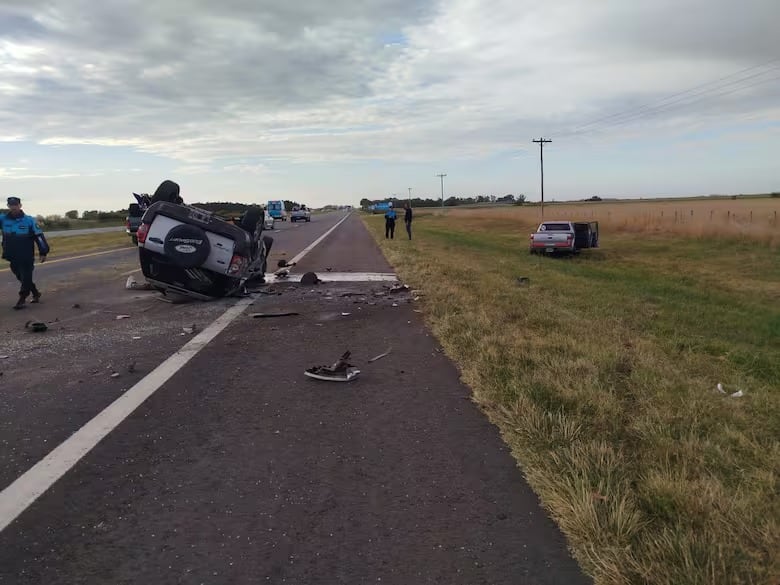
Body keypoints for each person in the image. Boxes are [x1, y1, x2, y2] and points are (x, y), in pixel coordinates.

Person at [1, 196, 49, 310]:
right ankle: (36, 293)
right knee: (20, 275)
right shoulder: (3, 219)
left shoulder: (29, 220)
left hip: (26, 254)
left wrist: (43, 252)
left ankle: (22, 298)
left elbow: (39, 237)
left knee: (26, 275)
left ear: (20, 205)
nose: (13, 207)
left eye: (16, 205)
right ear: (8, 206)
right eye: (11, 205)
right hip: (12, 254)